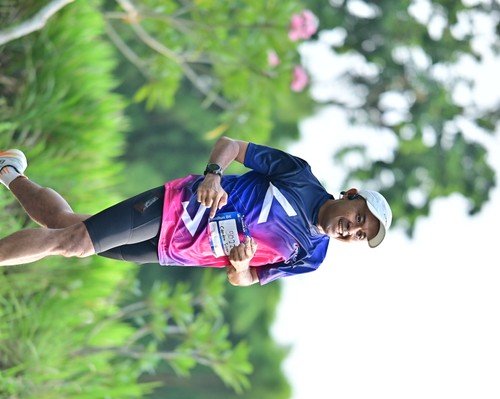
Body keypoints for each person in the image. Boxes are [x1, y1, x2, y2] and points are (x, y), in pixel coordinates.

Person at [0, 137, 392, 286]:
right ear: (351, 194)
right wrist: (214, 176)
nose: (353, 229)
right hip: (176, 208)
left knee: (64, 227)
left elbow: (243, 279)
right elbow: (231, 144)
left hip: (172, 252)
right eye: (360, 218)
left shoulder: (311, 257)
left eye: (361, 235)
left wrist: (241, 264)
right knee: (74, 243)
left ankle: (8, 170)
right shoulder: (299, 176)